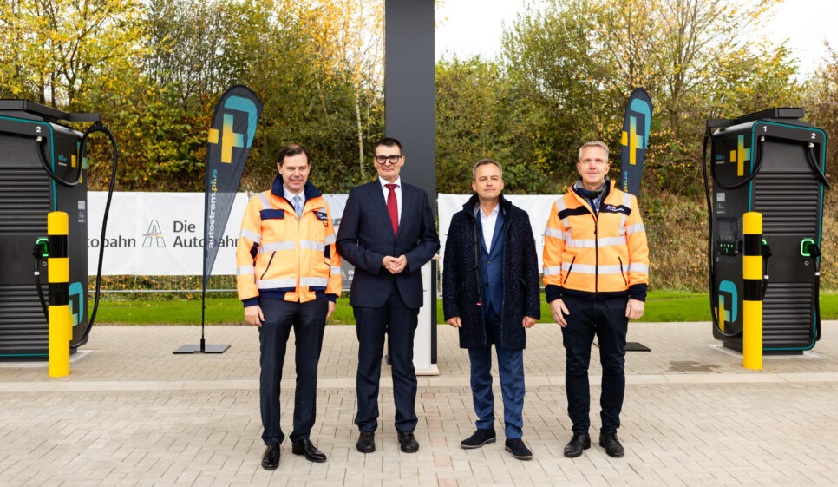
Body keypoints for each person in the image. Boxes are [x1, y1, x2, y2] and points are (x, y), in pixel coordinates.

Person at [236, 143, 342, 470]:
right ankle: (272, 441)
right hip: (272, 301)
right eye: (290, 168)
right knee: (271, 373)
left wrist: (332, 295)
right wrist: (249, 300)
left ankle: (302, 437)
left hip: (313, 300)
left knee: (307, 372)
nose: (297, 174)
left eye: (302, 168)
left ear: (309, 169)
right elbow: (245, 253)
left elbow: (331, 253)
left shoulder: (320, 205)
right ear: (280, 168)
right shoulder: (260, 203)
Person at [542, 141, 650, 458]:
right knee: (576, 367)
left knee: (613, 366)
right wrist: (553, 295)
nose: (592, 165)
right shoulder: (561, 206)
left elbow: (638, 252)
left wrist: (638, 293)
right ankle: (579, 433)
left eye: (598, 160)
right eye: (586, 160)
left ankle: (609, 432)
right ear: (578, 167)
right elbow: (551, 254)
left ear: (607, 167)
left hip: (616, 300)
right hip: (574, 301)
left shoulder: (627, 203)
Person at [336, 137, 440, 454]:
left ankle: (406, 428)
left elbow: (430, 241)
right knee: (367, 363)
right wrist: (378, 261)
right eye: (381, 158)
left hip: (405, 293)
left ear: (402, 160)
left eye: (392, 158)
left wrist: (409, 259)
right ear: (375, 162)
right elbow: (346, 243)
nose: (387, 163)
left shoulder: (419, 197)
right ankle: (366, 428)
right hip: (370, 293)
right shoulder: (360, 196)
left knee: (403, 364)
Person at [442, 159, 540, 461]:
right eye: (482, 178)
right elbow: (450, 268)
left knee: (512, 375)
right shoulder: (460, 221)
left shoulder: (518, 218)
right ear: (474, 185)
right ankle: (484, 426)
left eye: (494, 178)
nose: (488, 183)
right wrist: (451, 307)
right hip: (474, 309)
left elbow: (530, 264)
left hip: (510, 308)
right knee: (479, 373)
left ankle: (514, 434)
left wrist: (531, 307)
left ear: (501, 183)